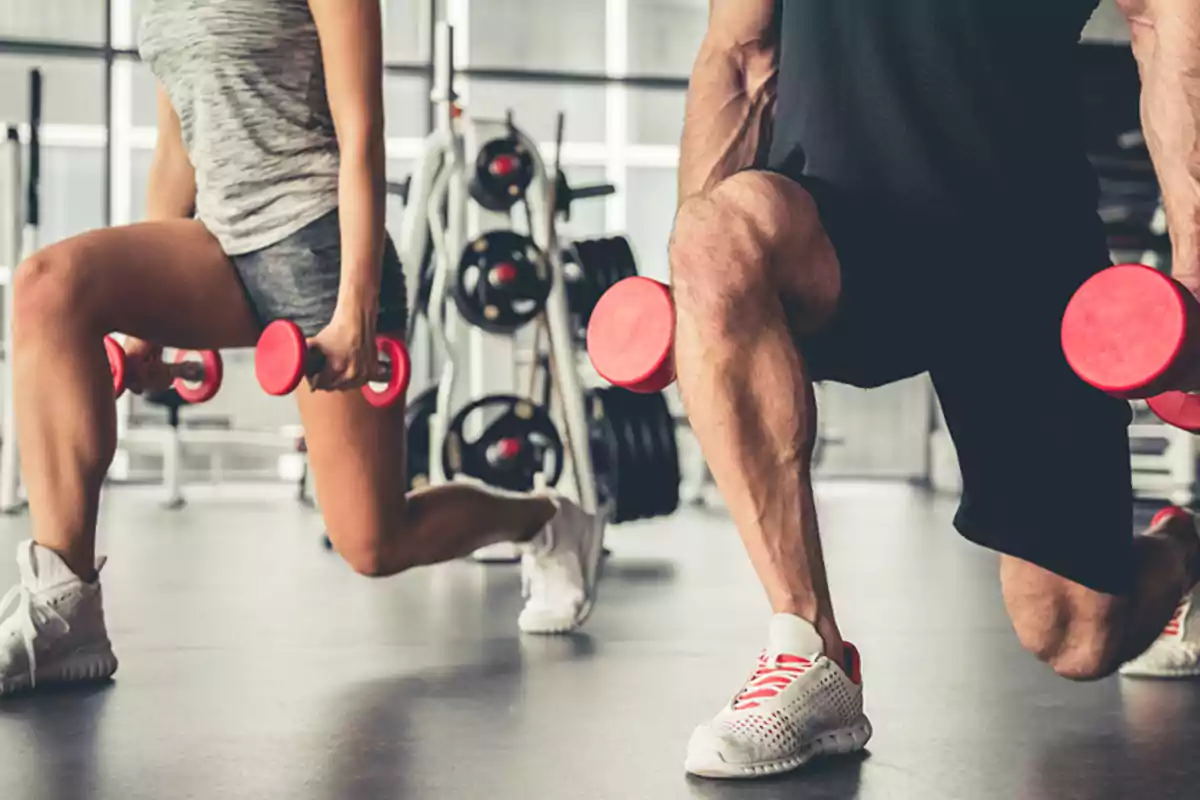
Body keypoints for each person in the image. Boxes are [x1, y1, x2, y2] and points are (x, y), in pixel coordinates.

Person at [0, 0, 605, 697]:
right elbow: (176, 154)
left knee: (375, 543)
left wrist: (358, 307)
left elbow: (362, 133)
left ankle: (547, 520)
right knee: (48, 287)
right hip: (218, 245)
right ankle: (67, 604)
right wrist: (146, 333)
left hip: (318, 244)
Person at [676, 0, 1200, 780]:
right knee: (714, 234)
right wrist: (694, 283)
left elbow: (1167, 24)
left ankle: (1184, 550)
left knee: (1075, 634)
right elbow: (740, 52)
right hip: (838, 229)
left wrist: (1193, 269)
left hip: (1028, 257)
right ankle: (808, 648)